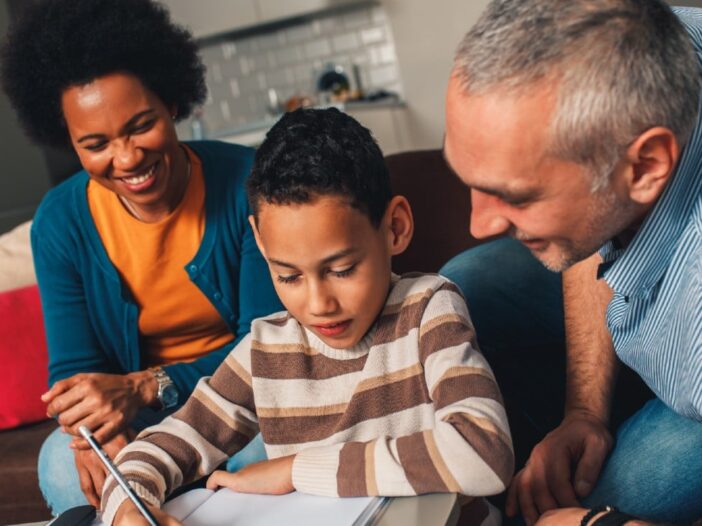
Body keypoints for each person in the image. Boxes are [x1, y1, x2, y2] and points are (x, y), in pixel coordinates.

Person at [97, 107, 514, 526]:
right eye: (289, 275)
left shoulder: (428, 310)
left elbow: (483, 453)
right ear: (260, 242)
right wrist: (127, 509)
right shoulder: (266, 349)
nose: (318, 304)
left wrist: (296, 470)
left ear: (395, 227)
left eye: (342, 270)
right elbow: (168, 443)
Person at [0, 0, 282, 515]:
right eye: (95, 143)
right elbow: (74, 369)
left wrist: (148, 386)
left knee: (270, 448)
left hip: (246, 404)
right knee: (61, 466)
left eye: (140, 124)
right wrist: (92, 436)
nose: (127, 158)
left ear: (172, 102)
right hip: (142, 422)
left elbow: (269, 345)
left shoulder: (249, 184)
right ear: (68, 140)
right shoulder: (60, 222)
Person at [440, 0, 702, 525]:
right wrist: (584, 410)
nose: (478, 222)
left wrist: (603, 523)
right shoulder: (648, 35)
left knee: (616, 491)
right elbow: (602, 210)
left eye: (513, 195)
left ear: (646, 167)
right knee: (464, 286)